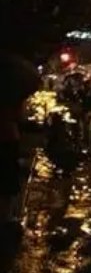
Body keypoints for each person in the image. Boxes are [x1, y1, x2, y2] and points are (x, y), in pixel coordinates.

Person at [0, 53, 40, 229]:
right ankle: (5, 218)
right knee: (6, 179)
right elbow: (19, 117)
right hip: (7, 137)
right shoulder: (12, 98)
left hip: (8, 136)